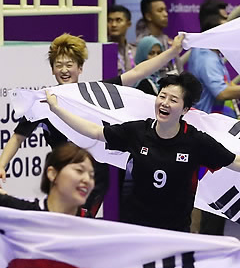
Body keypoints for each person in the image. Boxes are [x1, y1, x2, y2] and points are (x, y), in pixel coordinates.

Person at [44, 72, 240, 232]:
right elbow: (95, 131)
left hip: (176, 230)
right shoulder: (137, 132)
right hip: (137, 227)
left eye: (173, 100)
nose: (164, 103)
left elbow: (237, 162)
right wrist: (57, 110)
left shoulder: (197, 142)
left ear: (185, 109)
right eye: (162, 96)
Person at [0, 32, 185, 216]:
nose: (64, 70)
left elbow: (137, 72)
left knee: (79, 223)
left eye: (69, 65)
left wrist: (174, 51)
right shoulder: (44, 101)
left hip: (94, 176)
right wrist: (1, 165)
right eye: (59, 65)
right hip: (62, 176)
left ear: (80, 68)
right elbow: (17, 137)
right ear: (52, 70)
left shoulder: (95, 93)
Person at [188, 3, 240, 235]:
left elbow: (225, 90)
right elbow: (221, 93)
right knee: (209, 190)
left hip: (218, 130)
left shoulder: (214, 55)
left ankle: (211, 239)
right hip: (208, 131)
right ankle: (205, 242)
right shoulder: (205, 55)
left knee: (217, 189)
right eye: (225, 22)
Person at [0, 143, 95, 217]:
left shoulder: (92, 229)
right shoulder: (19, 213)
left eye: (91, 176)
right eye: (79, 170)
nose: (87, 180)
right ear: (52, 173)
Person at [136, 0, 182, 76]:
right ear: (148, 16)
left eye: (165, 10)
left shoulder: (169, 41)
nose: (165, 14)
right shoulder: (142, 43)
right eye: (160, 11)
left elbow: (179, 69)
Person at [108, 4, 136, 75]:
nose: (113, 25)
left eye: (118, 20)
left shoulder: (136, 50)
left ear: (128, 24)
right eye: (109, 20)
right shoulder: (102, 52)